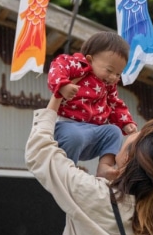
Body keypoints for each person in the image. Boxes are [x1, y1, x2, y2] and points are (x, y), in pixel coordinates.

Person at [25, 94, 153, 235]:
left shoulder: (94, 194)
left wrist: (57, 96)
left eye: (137, 134)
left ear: (127, 157)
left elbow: (40, 152)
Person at [47, 31, 138, 180]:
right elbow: (56, 69)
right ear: (89, 60)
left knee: (114, 132)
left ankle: (104, 167)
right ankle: (66, 171)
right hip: (66, 127)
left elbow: (115, 103)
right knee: (74, 136)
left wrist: (126, 122)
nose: (113, 77)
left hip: (94, 132)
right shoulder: (76, 65)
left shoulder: (108, 85)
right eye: (109, 70)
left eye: (118, 74)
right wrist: (63, 85)